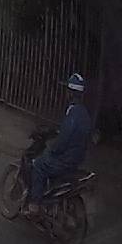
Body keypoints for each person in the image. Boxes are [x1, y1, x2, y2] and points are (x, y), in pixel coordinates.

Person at [25, 73, 92, 216]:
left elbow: (63, 140)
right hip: (77, 159)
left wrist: (53, 149)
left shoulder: (72, 112)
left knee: (38, 165)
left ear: (70, 93)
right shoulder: (84, 112)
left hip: (65, 159)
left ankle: (34, 205)